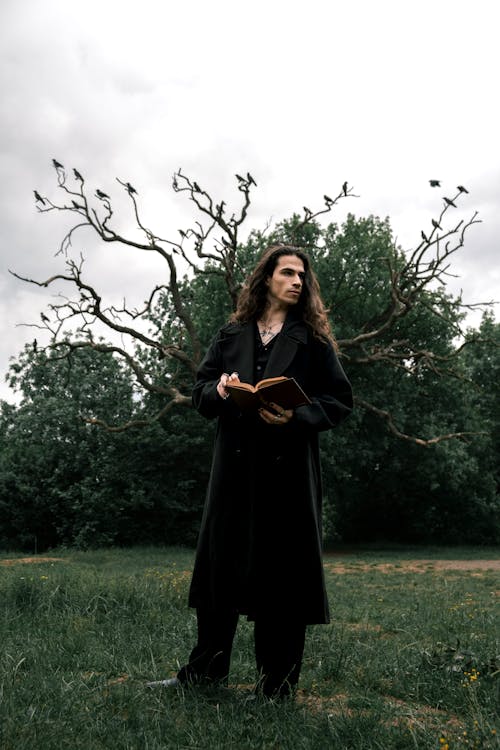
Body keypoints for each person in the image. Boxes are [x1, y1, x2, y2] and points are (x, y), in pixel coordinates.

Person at [150, 244, 353, 698]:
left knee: (281, 577)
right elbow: (201, 391)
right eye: (287, 272)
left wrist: (297, 417)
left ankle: (276, 686)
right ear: (266, 280)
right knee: (221, 573)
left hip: (287, 477)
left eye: (302, 275)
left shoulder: (313, 341)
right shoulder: (231, 334)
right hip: (234, 472)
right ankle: (204, 676)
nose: (297, 281)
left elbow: (339, 401)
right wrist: (220, 390)